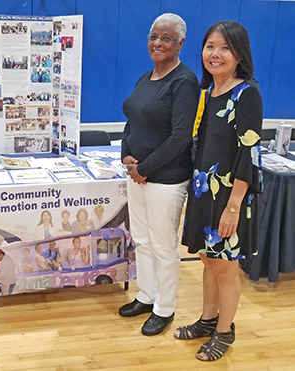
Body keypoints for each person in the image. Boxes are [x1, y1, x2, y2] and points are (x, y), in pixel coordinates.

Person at [176, 21, 263, 362]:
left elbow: (249, 154)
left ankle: (225, 331)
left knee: (226, 267)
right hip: (204, 193)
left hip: (230, 197)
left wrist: (234, 206)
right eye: (210, 46)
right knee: (207, 260)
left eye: (225, 48)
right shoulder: (206, 93)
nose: (216, 54)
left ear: (239, 55)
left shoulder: (247, 94)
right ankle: (207, 319)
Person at [118, 13, 199, 337]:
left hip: (165, 179)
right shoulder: (144, 78)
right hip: (137, 174)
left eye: (166, 38)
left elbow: (181, 137)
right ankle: (147, 295)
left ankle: (164, 308)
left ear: (180, 43)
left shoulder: (184, 81)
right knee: (142, 240)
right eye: (154, 36)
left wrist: (145, 169)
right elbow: (132, 120)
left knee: (164, 246)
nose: (158, 43)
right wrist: (126, 155)